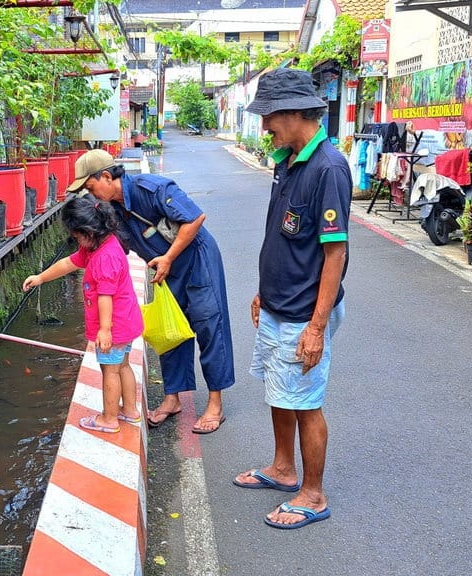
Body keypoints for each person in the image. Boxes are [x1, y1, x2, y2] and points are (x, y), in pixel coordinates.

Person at [232, 68, 350, 530]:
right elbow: (283, 236)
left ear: (294, 112)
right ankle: (283, 470)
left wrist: (316, 327)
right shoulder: (288, 159)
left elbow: (334, 251)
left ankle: (313, 493)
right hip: (279, 304)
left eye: (270, 117)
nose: (264, 127)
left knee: (305, 402)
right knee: (280, 392)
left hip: (305, 313)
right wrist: (265, 290)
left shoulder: (328, 167)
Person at [67, 149, 234, 434]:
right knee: (171, 331)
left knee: (209, 325)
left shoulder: (152, 188)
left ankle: (215, 404)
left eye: (90, 187)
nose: (90, 195)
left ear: (106, 177)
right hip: (164, 271)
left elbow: (195, 218)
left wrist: (168, 257)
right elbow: (110, 251)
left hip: (196, 260)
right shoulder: (111, 212)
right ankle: (173, 399)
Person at [22, 196, 144, 433]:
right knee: (123, 366)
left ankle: (109, 419)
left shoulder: (103, 258)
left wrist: (105, 330)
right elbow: (69, 263)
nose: (75, 239)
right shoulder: (104, 243)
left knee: (110, 370)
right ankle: (129, 411)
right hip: (127, 321)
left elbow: (105, 297)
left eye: (77, 236)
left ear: (88, 232)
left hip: (114, 326)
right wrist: (41, 278)